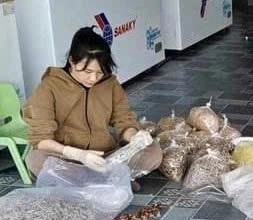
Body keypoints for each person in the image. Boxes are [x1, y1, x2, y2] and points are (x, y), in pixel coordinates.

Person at [24, 27, 162, 186]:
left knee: (153, 152)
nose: (93, 78)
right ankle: (111, 179)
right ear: (71, 61)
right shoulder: (49, 87)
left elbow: (124, 121)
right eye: (87, 71)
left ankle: (89, 182)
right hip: (67, 158)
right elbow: (41, 140)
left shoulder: (110, 85)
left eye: (99, 72)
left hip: (105, 156)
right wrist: (77, 154)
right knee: (36, 160)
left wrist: (135, 137)